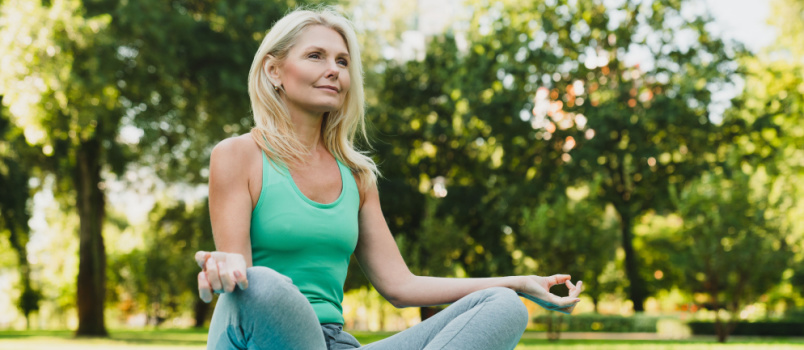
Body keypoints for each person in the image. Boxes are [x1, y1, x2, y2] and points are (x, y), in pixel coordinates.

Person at [194, 6, 583, 350]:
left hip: (335, 342)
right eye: (316, 56)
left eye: (343, 62)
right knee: (262, 283)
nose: (333, 69)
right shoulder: (238, 155)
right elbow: (240, 283)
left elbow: (401, 286)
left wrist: (518, 282)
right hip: (260, 337)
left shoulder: (357, 175)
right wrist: (223, 266)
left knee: (501, 305)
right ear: (274, 70)